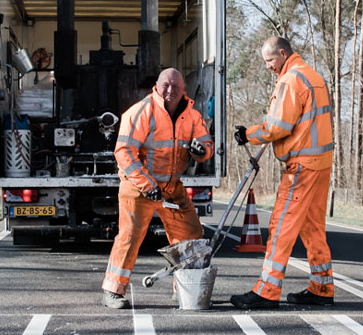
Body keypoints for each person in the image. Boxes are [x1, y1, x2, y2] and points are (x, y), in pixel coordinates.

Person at [230, 36, 335, 309]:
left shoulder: (290, 80)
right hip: (321, 163)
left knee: (280, 227)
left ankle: (266, 291)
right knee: (312, 228)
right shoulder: (313, 76)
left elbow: (278, 127)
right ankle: (322, 288)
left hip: (302, 166)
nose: (268, 67)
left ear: (283, 53)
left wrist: (247, 134)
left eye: (270, 60)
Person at [101, 68, 214, 309]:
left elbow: (206, 142)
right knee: (129, 237)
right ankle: (112, 290)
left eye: (175, 86)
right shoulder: (142, 111)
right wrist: (146, 185)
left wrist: (203, 152)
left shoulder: (193, 116)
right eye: (166, 85)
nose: (170, 90)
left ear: (184, 89)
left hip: (172, 187)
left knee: (191, 236)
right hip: (138, 187)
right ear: (156, 86)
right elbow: (123, 152)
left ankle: (185, 290)